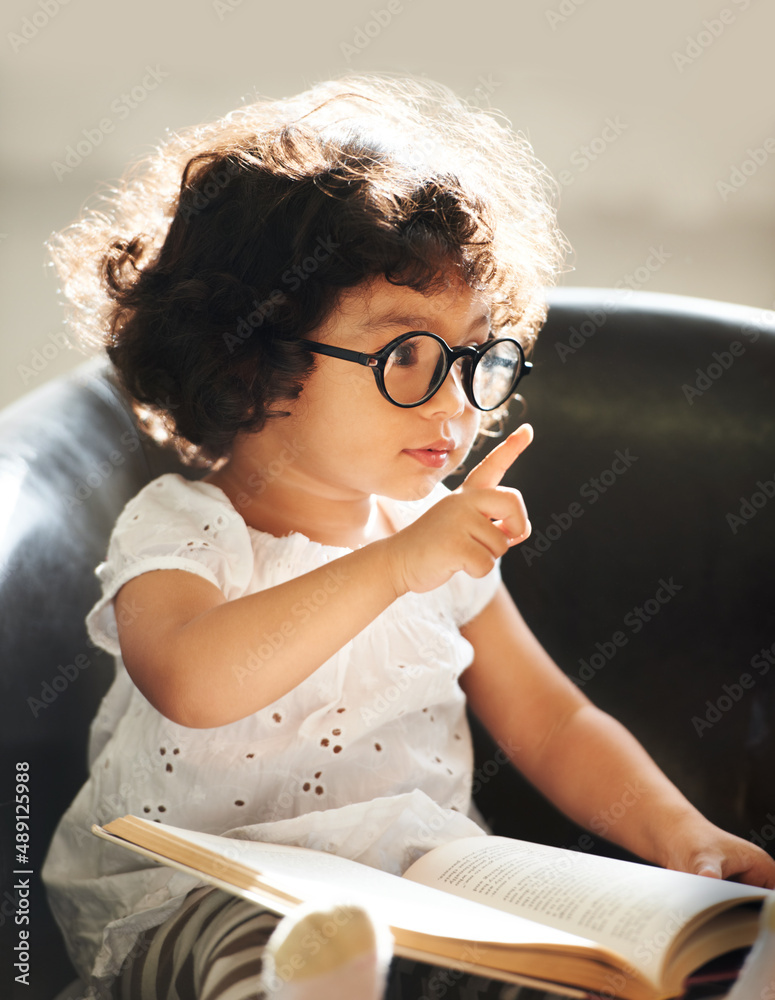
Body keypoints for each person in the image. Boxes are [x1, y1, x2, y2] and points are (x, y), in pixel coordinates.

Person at [42, 72, 775, 1000]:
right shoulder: (186, 527)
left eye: (473, 358)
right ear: (247, 358)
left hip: (421, 889)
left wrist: (683, 837)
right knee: (244, 951)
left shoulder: (437, 545)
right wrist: (392, 567)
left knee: (574, 964)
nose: (451, 404)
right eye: (405, 358)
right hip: (203, 887)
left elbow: (554, 724)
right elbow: (192, 680)